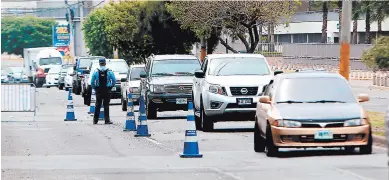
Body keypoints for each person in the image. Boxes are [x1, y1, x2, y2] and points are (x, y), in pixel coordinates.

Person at [91, 58, 116, 124]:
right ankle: (107, 120)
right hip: (107, 90)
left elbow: (92, 82)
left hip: (99, 90)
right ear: (105, 63)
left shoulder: (96, 71)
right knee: (106, 105)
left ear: (99, 63)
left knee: (97, 105)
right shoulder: (109, 71)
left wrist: (95, 88)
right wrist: (111, 86)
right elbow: (114, 80)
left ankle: (95, 120)